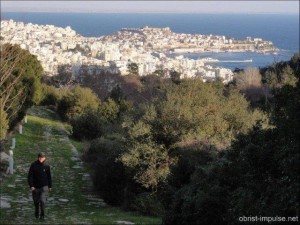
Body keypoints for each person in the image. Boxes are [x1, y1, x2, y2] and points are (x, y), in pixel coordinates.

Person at [28, 152, 52, 220]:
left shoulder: (47, 166)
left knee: (42, 201)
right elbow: (30, 176)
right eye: (40, 157)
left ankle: (42, 215)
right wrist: (31, 186)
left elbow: (49, 177)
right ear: (38, 158)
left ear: (45, 158)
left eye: (43, 157)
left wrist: (50, 186)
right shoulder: (33, 165)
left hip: (44, 186)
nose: (41, 159)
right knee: (36, 202)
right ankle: (36, 212)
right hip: (35, 187)